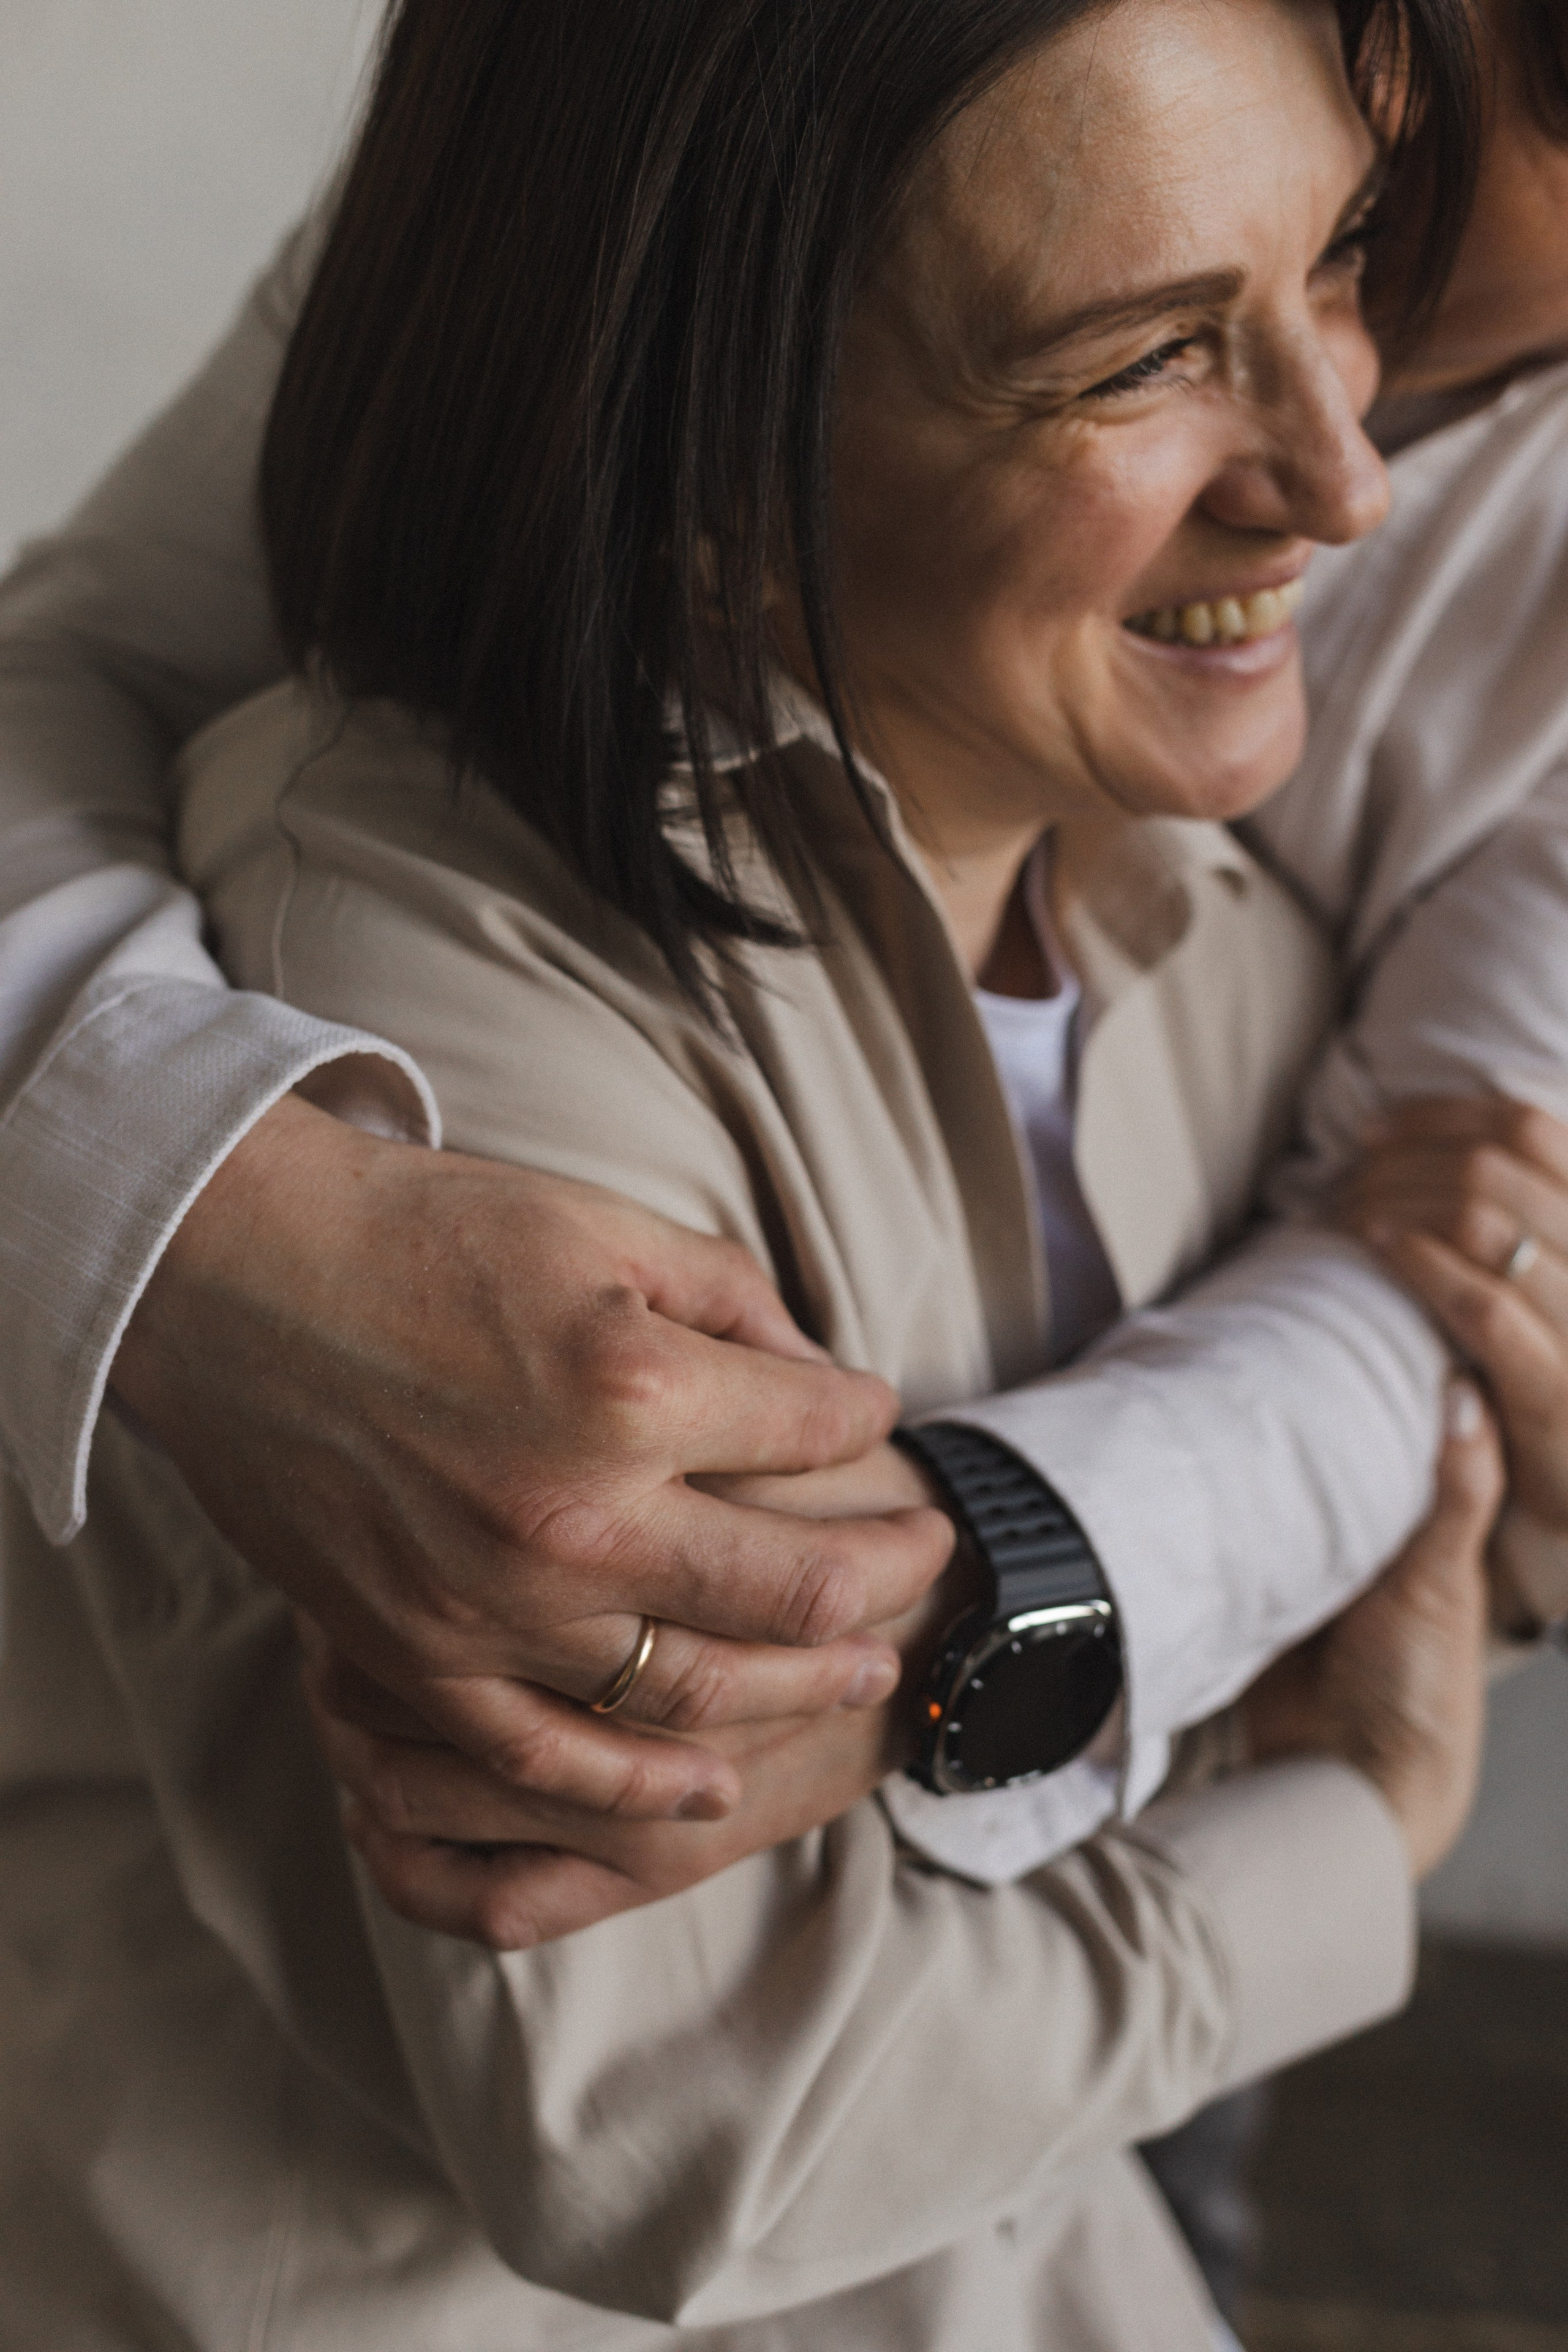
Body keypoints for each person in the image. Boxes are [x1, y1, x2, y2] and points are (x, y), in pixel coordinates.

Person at [0, 1, 1518, 2346]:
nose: (1352, 480)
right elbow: (690, 2126)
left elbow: (1454, 1298)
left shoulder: (1214, 899)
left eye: (1348, 254)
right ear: (717, 449)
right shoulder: (437, 972)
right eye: (1138, 364)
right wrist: (1354, 1813)